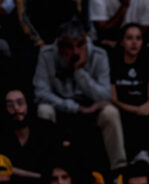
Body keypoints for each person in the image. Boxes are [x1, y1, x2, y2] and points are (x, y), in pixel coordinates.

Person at [33, 18, 127, 171]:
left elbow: (105, 96)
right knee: (44, 110)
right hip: (61, 107)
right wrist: (75, 107)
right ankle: (47, 168)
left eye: (80, 45)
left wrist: (79, 73)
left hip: (91, 108)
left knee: (111, 113)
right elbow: (41, 93)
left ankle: (119, 169)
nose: (75, 52)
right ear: (59, 44)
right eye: (69, 46)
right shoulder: (47, 54)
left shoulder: (99, 55)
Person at [110, 23, 149, 166]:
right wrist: (137, 110)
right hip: (121, 108)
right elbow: (112, 98)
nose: (134, 43)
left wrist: (148, 105)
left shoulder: (148, 62)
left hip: (143, 108)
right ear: (121, 42)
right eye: (129, 38)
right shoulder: (112, 63)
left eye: (138, 38)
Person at [0, 87, 61, 184]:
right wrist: (38, 176)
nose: (16, 108)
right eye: (10, 105)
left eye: (20, 103)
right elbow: (0, 169)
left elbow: (54, 169)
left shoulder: (46, 129)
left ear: (28, 105)